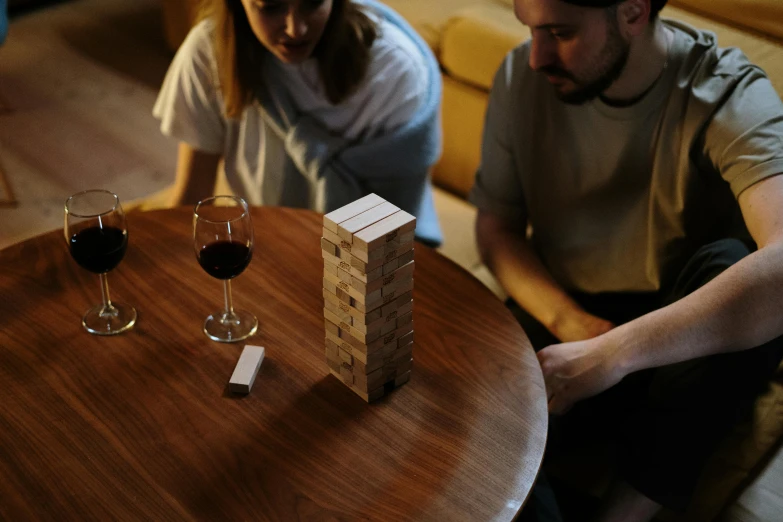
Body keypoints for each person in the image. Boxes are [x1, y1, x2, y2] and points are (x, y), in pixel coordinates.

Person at [470, 0, 783, 520]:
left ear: (634, 12)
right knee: (473, 434)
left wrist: (614, 353)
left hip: (677, 342)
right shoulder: (520, 77)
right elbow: (497, 228)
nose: (535, 57)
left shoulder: (726, 91)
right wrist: (575, 325)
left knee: (737, 264)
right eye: (530, 29)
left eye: (559, 32)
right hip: (562, 312)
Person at [153, 0, 442, 245]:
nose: (296, 29)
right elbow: (191, 196)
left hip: (365, 254)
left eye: (312, 3)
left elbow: (395, 233)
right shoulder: (210, 52)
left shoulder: (394, 72)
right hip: (261, 240)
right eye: (271, 8)